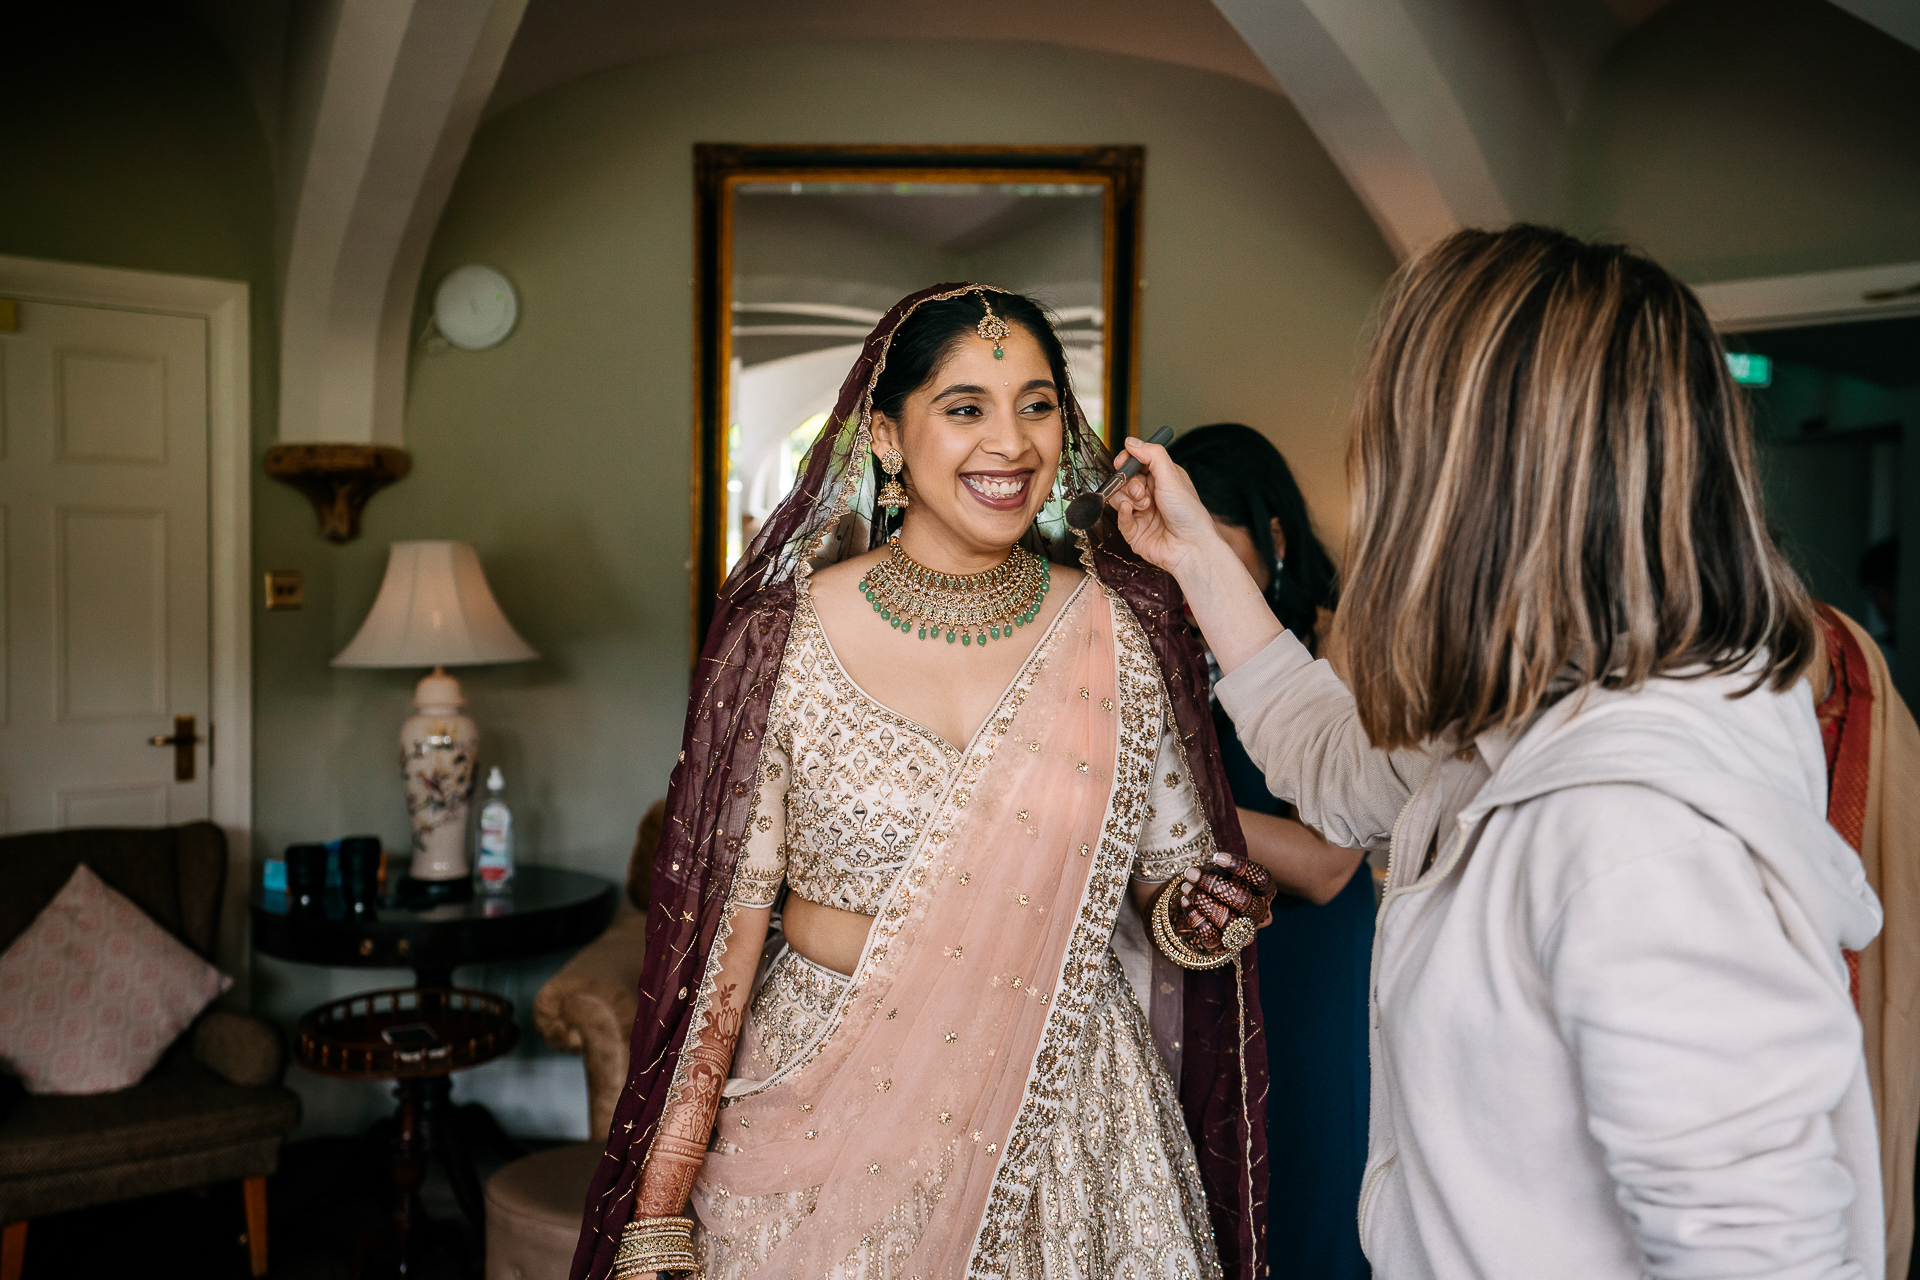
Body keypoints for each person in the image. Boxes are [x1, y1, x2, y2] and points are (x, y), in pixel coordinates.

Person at [1111, 226, 1886, 1277]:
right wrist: (1196, 553)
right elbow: (1334, 763)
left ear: (1475, 484)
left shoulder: (1638, 835)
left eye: (1394, 443)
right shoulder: (1525, 721)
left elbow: (1762, 1254)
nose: (1376, 481)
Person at [571, 284, 1280, 1280]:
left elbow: (1168, 881)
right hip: (821, 1103)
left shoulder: (1120, 627)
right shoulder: (784, 641)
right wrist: (659, 1209)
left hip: (1065, 1106)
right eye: (965, 408)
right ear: (888, 437)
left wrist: (1201, 915)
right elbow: (719, 961)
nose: (1013, 443)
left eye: (1037, 404)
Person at [1167, 424, 1371, 1280]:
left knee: (1307, 1201)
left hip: (1310, 967)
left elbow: (1329, 864)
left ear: (1273, 536)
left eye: (1210, 538)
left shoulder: (1346, 638)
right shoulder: (1165, 645)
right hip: (1199, 957)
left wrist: (1170, 804)